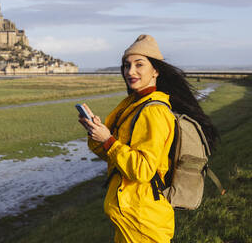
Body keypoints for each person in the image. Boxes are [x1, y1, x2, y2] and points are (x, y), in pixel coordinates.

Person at [78, 35, 218, 243]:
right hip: (130, 219)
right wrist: (97, 133)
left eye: (139, 64)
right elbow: (114, 158)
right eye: (126, 65)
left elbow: (142, 170)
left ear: (156, 70)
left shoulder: (153, 111)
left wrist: (108, 140)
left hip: (144, 223)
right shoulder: (133, 105)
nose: (130, 71)